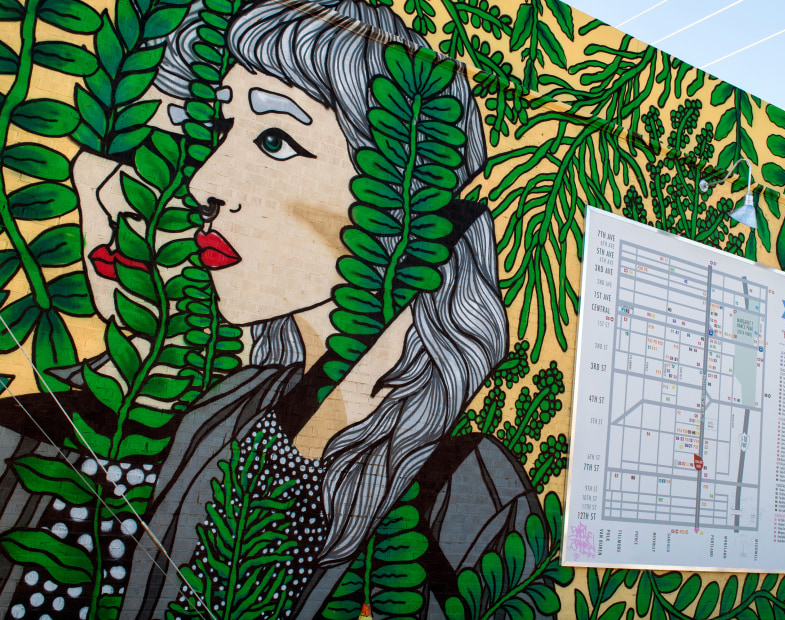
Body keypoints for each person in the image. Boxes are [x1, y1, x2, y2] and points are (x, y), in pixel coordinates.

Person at [0, 0, 545, 617]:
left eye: (277, 140)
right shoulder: (222, 406)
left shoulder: (467, 493)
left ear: (403, 211)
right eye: (221, 131)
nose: (207, 181)